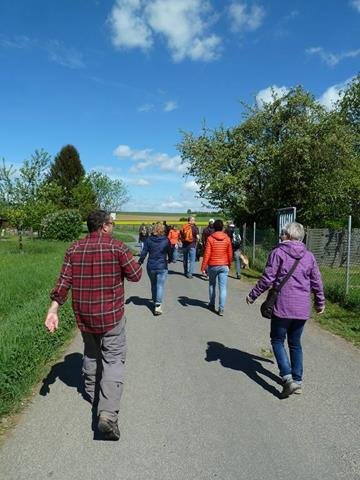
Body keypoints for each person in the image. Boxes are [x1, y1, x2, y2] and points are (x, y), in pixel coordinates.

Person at [44, 210, 142, 440]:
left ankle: (92, 395)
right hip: (111, 316)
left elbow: (63, 281)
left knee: (90, 353)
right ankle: (107, 414)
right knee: (113, 358)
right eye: (112, 224)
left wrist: (53, 309)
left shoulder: (74, 249)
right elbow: (136, 275)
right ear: (104, 226)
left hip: (85, 315)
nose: (113, 227)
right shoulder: (117, 247)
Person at [246, 222, 325, 398]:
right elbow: (317, 282)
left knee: (277, 340)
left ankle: (288, 378)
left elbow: (267, 278)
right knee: (295, 343)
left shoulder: (278, 253)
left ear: (288, 236)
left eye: (283, 233)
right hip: (302, 308)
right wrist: (320, 303)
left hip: (282, 306)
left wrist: (253, 295)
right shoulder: (309, 256)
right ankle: (297, 381)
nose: (281, 236)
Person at [139, 222, 171, 315]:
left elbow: (144, 252)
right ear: (163, 230)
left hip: (151, 266)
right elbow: (170, 251)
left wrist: (140, 261)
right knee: (160, 285)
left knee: (153, 284)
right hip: (162, 266)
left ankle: (154, 300)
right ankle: (158, 305)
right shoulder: (166, 240)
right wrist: (171, 259)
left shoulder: (149, 240)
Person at [201, 219, 232, 316]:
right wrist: (229, 264)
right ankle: (221, 308)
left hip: (213, 265)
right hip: (224, 265)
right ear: (222, 227)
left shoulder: (210, 238)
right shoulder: (227, 238)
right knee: (223, 288)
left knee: (212, 285)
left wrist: (203, 266)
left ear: (214, 227)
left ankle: (211, 304)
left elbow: (207, 254)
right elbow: (230, 253)